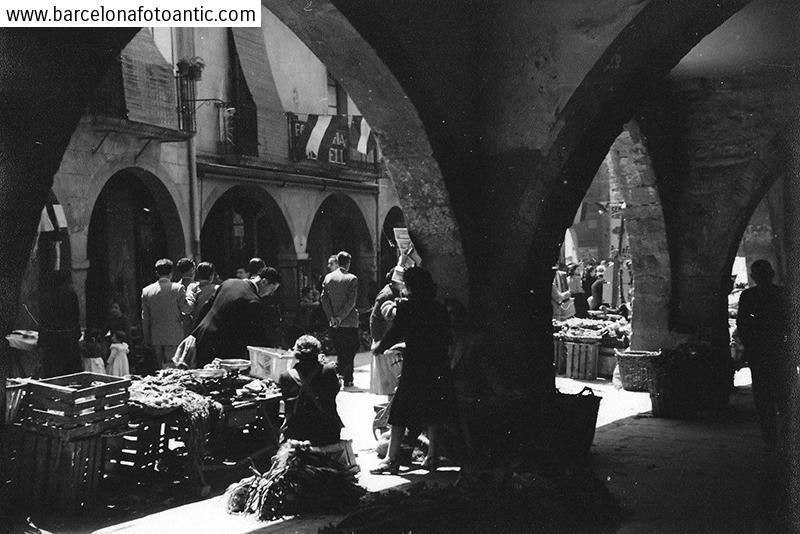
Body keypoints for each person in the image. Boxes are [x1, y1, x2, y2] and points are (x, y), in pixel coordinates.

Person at [371, 266, 451, 474]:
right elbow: (447, 337)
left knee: (399, 411)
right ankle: (432, 457)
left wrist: (380, 347)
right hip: (437, 364)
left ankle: (391, 458)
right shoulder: (438, 307)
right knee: (433, 408)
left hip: (416, 365)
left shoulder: (408, 307)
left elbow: (396, 331)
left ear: (410, 286)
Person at [737, 259, 787, 449]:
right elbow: (743, 324)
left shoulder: (750, 296)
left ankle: (775, 439)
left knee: (774, 398)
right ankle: (773, 439)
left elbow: (744, 324)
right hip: (767, 352)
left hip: (769, 352)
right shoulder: (779, 294)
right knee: (771, 398)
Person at [189, 265, 281, 368]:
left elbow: (206, 307)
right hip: (221, 347)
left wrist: (194, 332)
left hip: (203, 336)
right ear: (264, 282)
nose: (270, 294)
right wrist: (273, 352)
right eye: (271, 290)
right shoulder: (253, 301)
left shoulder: (229, 283)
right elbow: (258, 333)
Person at [278, 335, 343, 446]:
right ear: (318, 352)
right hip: (327, 433)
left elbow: (287, 403)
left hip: (297, 435)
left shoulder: (285, 377)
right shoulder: (329, 370)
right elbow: (334, 390)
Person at [141, 258, 195, 369]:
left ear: (156, 273)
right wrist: (190, 295)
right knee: (173, 370)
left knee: (160, 370)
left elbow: (145, 318)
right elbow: (187, 309)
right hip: (174, 335)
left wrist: (147, 338)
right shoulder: (178, 288)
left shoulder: (146, 291)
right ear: (172, 272)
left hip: (156, 337)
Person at [320, 251, 360, 388]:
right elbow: (351, 302)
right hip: (349, 322)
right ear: (348, 263)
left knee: (341, 350)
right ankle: (340, 373)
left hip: (333, 322)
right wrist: (340, 317)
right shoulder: (352, 278)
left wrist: (331, 316)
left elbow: (324, 299)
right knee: (352, 348)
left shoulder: (328, 278)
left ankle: (346, 377)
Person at [39, 270, 81, 377]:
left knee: (53, 369)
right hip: (68, 337)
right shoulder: (71, 295)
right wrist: (76, 333)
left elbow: (43, 319)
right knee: (69, 369)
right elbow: (76, 316)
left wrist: (41, 339)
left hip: (52, 339)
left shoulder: (46, 297)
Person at [369, 268, 404, 395]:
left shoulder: (394, 292)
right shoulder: (387, 295)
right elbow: (374, 319)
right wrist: (379, 341)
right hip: (385, 341)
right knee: (390, 380)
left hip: (387, 341)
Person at [187, 261, 219, 328]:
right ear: (211, 276)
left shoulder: (192, 287)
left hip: (194, 325)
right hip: (211, 325)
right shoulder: (217, 289)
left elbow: (189, 306)